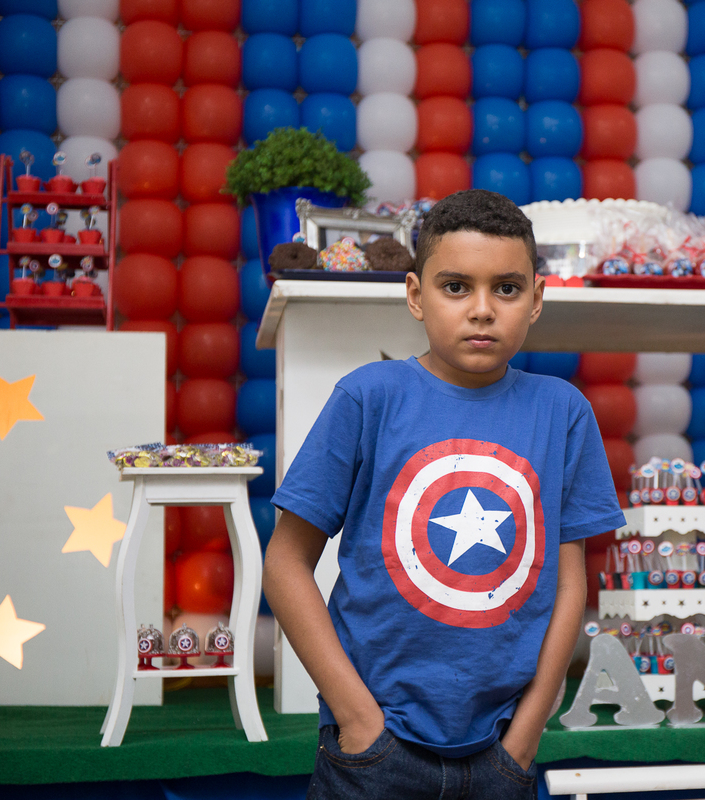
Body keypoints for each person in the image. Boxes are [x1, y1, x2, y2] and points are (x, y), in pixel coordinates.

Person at [263, 189, 626, 799]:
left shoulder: (563, 412)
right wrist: (358, 720)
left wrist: (526, 736)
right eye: (456, 287)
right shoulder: (368, 397)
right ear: (415, 295)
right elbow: (285, 562)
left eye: (506, 288)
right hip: (373, 752)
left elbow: (570, 583)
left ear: (537, 299)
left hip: (503, 752)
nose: (482, 310)